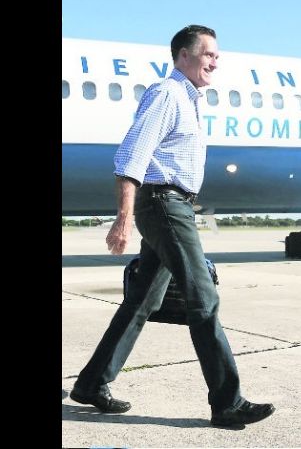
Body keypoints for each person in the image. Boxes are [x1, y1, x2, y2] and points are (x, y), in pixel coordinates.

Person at [69, 25, 275, 428]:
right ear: (183, 55)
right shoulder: (167, 94)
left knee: (142, 301)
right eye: (208, 53)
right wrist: (123, 219)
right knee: (203, 299)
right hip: (164, 204)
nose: (215, 61)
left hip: (171, 204)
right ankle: (227, 401)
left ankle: (92, 382)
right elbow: (132, 155)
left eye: (217, 55)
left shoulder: (191, 99)